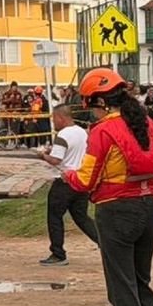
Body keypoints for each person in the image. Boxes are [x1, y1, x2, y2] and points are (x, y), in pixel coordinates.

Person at [65, 68, 153, 306]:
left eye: (90, 107)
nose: (92, 113)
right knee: (141, 284)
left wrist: (67, 174)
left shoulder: (102, 131)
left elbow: (86, 179)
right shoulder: (148, 124)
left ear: (99, 102)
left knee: (122, 290)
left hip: (116, 213)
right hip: (151, 210)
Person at [38, 105, 99, 266]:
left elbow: (56, 160)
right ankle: (105, 242)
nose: (53, 122)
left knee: (55, 217)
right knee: (81, 217)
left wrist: (42, 155)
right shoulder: (81, 132)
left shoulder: (62, 135)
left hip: (64, 180)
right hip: (80, 179)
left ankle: (58, 253)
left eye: (53, 118)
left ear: (60, 117)